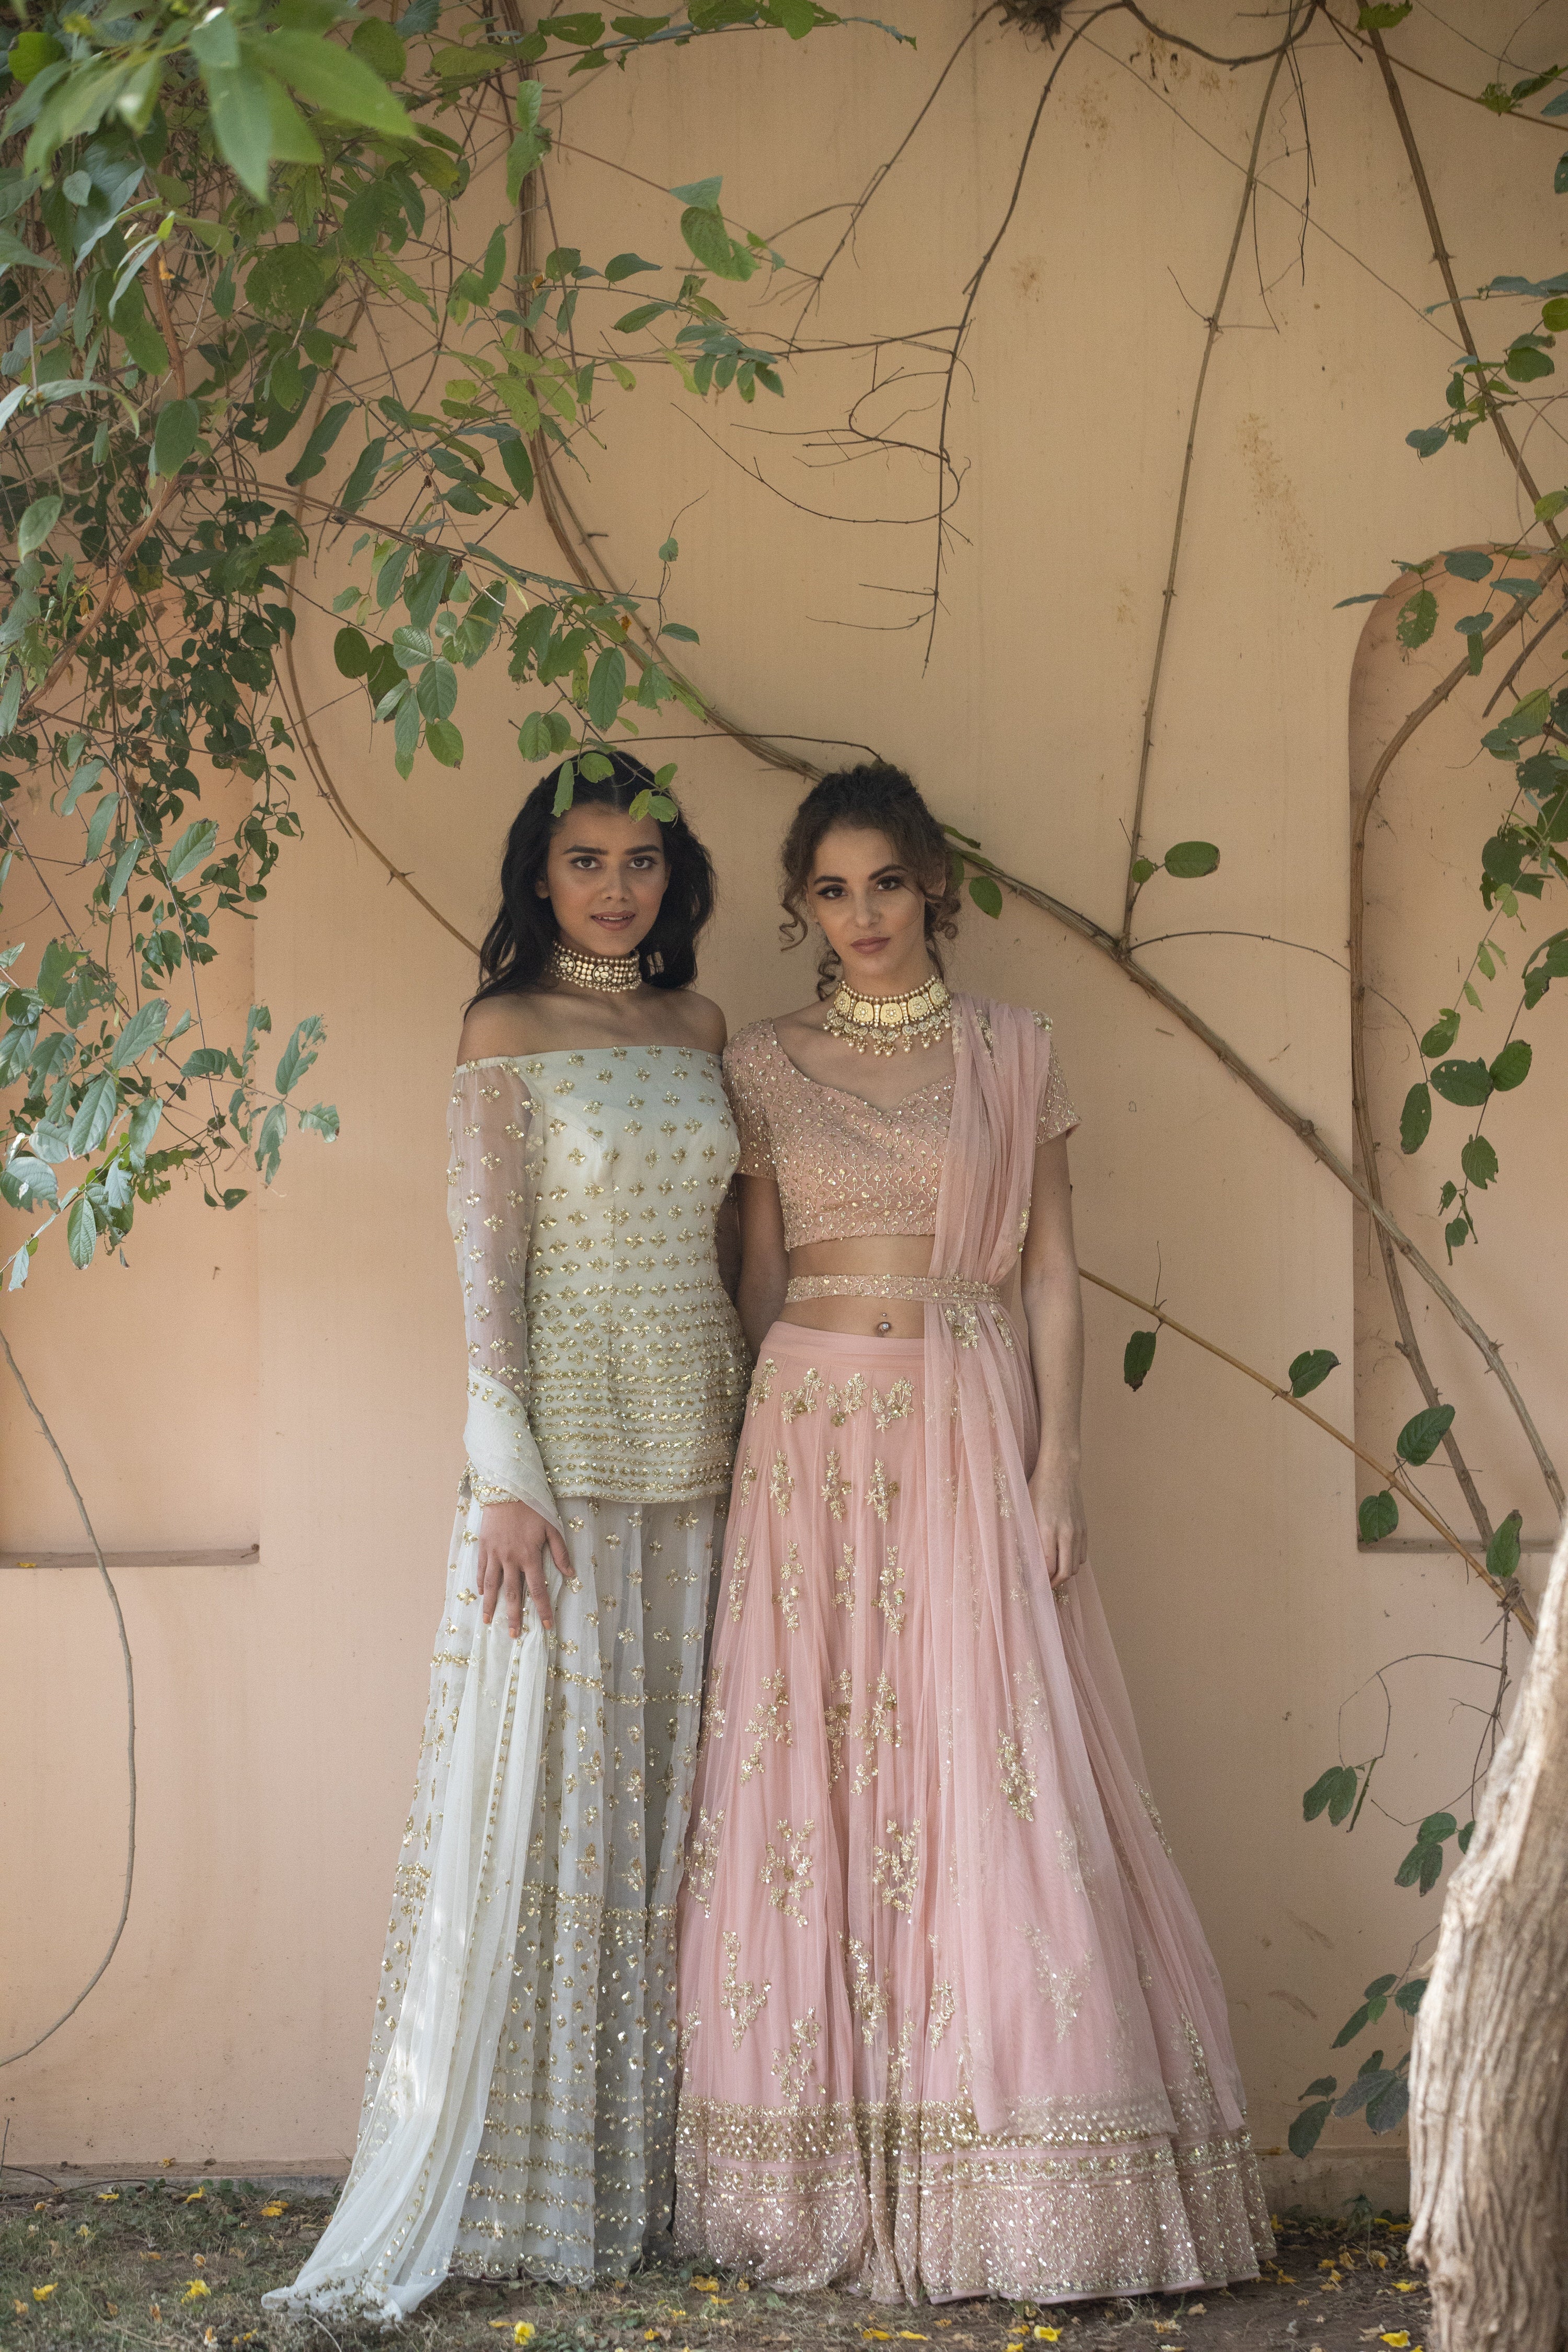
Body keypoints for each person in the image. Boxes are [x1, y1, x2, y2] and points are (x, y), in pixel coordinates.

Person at [673, 764, 1272, 2304]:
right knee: (820, 1769)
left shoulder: (1014, 1050)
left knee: (984, 1759)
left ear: (932, 884)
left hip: (962, 1421)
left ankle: (1017, 2185)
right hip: (807, 1433)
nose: (862, 913)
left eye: (885, 882)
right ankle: (826, 2164)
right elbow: (757, 1279)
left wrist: (1059, 1461)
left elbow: (1053, 1271)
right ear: (802, 906)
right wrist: (740, 1464)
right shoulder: (761, 1062)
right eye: (831, 890)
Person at [267, 755, 749, 2323]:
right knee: (553, 1806)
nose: (616, 886)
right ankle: (526, 2178)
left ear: (675, 876)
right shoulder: (505, 1032)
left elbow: (731, 1248)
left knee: (671, 1807)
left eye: (641, 860)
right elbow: (487, 1260)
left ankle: (655, 2171)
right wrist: (504, 1475)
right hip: (563, 1469)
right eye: (585, 859)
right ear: (540, 874)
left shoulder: (702, 1028)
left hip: (705, 1449)